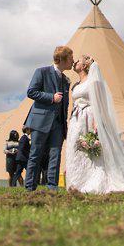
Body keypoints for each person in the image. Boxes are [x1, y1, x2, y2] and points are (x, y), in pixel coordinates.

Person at [63, 55, 124, 193]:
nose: (74, 62)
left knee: (91, 151)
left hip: (89, 118)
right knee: (76, 149)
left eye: (78, 61)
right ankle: (77, 182)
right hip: (76, 120)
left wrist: (97, 123)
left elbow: (100, 103)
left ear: (84, 66)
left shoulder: (94, 81)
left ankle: (93, 181)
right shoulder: (76, 85)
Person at [23, 46, 72, 191]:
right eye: (70, 58)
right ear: (62, 59)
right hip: (40, 121)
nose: (73, 61)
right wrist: (51, 97)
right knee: (35, 154)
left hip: (58, 123)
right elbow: (31, 92)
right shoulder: (41, 72)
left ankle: (52, 187)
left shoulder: (66, 80)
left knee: (55, 156)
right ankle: (30, 187)